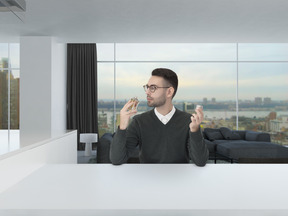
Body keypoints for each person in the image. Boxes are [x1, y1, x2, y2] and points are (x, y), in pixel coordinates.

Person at [110, 68, 209, 166]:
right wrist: (122, 126)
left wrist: (195, 131)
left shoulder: (189, 121)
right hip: (148, 178)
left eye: (153, 88)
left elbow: (200, 161)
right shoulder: (139, 122)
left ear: (169, 92)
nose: (147, 92)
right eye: (147, 87)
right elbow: (117, 159)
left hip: (179, 178)